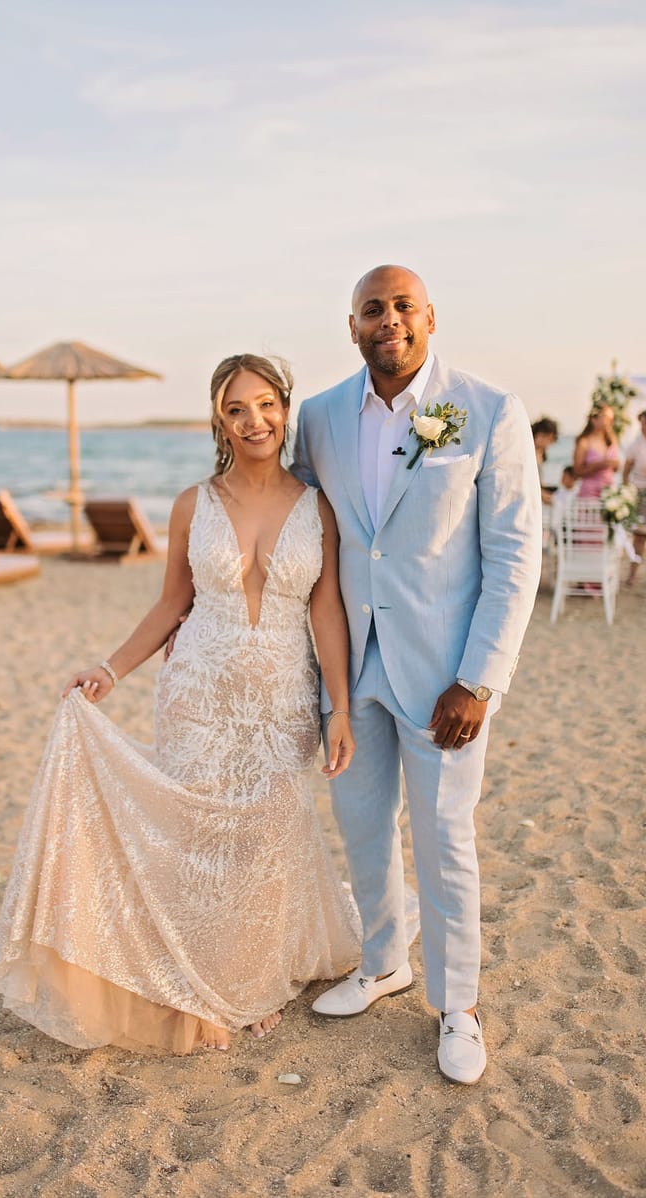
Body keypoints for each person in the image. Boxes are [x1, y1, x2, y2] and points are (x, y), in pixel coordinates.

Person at [0, 353, 362, 1054]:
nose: (255, 421)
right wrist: (109, 669)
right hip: (198, 691)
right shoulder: (193, 503)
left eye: (266, 405)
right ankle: (199, 982)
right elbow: (171, 604)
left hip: (281, 698)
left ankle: (248, 974)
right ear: (219, 421)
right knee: (198, 839)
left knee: (263, 839)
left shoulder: (318, 508)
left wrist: (338, 707)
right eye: (236, 409)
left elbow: (328, 612)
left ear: (286, 408)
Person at [292, 265, 541, 1085]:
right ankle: (381, 962)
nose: (388, 320)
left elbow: (513, 555)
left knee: (444, 843)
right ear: (352, 325)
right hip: (349, 669)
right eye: (373, 309)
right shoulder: (321, 417)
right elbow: (304, 531)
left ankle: (459, 1005)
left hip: (445, 680)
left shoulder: (486, 410)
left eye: (403, 306)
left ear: (430, 317)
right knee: (362, 831)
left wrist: (480, 680)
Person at [573, 404, 620, 498]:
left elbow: (615, 468)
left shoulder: (611, 440)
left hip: (609, 493)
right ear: (593, 420)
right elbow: (577, 471)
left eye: (611, 419)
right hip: (590, 494)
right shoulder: (584, 442)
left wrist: (615, 464)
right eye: (606, 418)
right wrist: (598, 465)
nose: (610, 422)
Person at [623, 410, 646, 586]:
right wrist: (626, 493)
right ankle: (632, 574)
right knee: (639, 537)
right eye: (642, 423)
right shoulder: (635, 445)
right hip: (639, 494)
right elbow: (626, 471)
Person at [531, 417, 559, 505]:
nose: (549, 444)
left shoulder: (540, 453)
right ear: (541, 435)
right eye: (549, 439)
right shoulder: (529, 452)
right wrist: (542, 493)